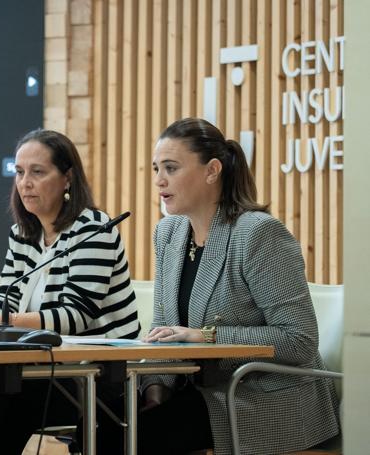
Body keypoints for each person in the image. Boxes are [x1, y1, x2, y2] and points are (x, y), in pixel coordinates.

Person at [95, 118, 340, 454]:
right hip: (200, 391)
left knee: (126, 438)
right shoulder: (167, 234)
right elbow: (163, 329)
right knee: (94, 426)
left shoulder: (258, 233)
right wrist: (155, 387)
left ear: (212, 170)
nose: (158, 180)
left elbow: (299, 340)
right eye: (155, 168)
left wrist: (207, 336)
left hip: (263, 397)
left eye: (171, 168)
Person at [0, 129, 139, 453]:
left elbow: (75, 317)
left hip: (98, 375)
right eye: (20, 172)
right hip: (45, 369)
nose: (25, 182)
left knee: (3, 398)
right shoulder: (24, 233)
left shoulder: (93, 230)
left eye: (38, 172)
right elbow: (6, 296)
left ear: (67, 178)